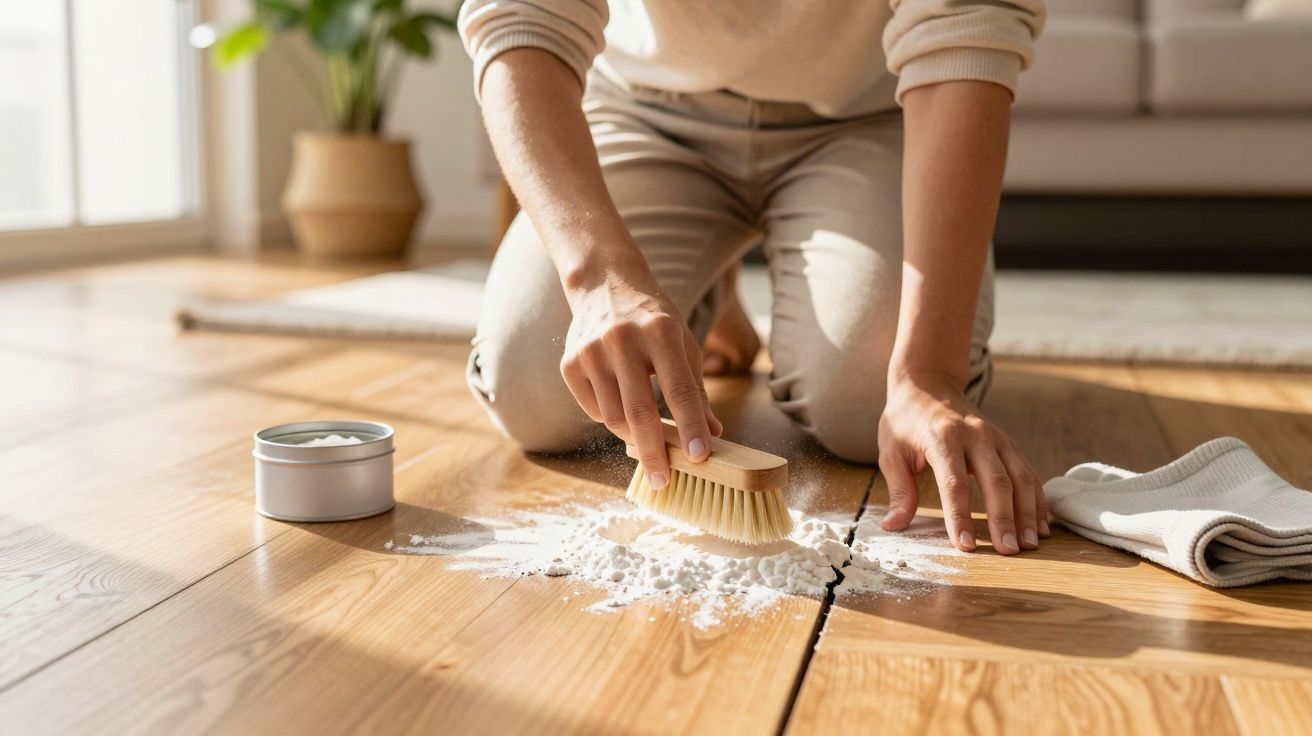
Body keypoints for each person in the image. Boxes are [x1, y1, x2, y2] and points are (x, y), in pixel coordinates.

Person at [458, 0, 1050, 555]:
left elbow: (966, 25)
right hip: (644, 108)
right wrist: (597, 278)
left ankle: (708, 282)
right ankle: (707, 290)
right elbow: (520, 17)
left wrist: (929, 372)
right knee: (539, 387)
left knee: (866, 404)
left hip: (871, 114)